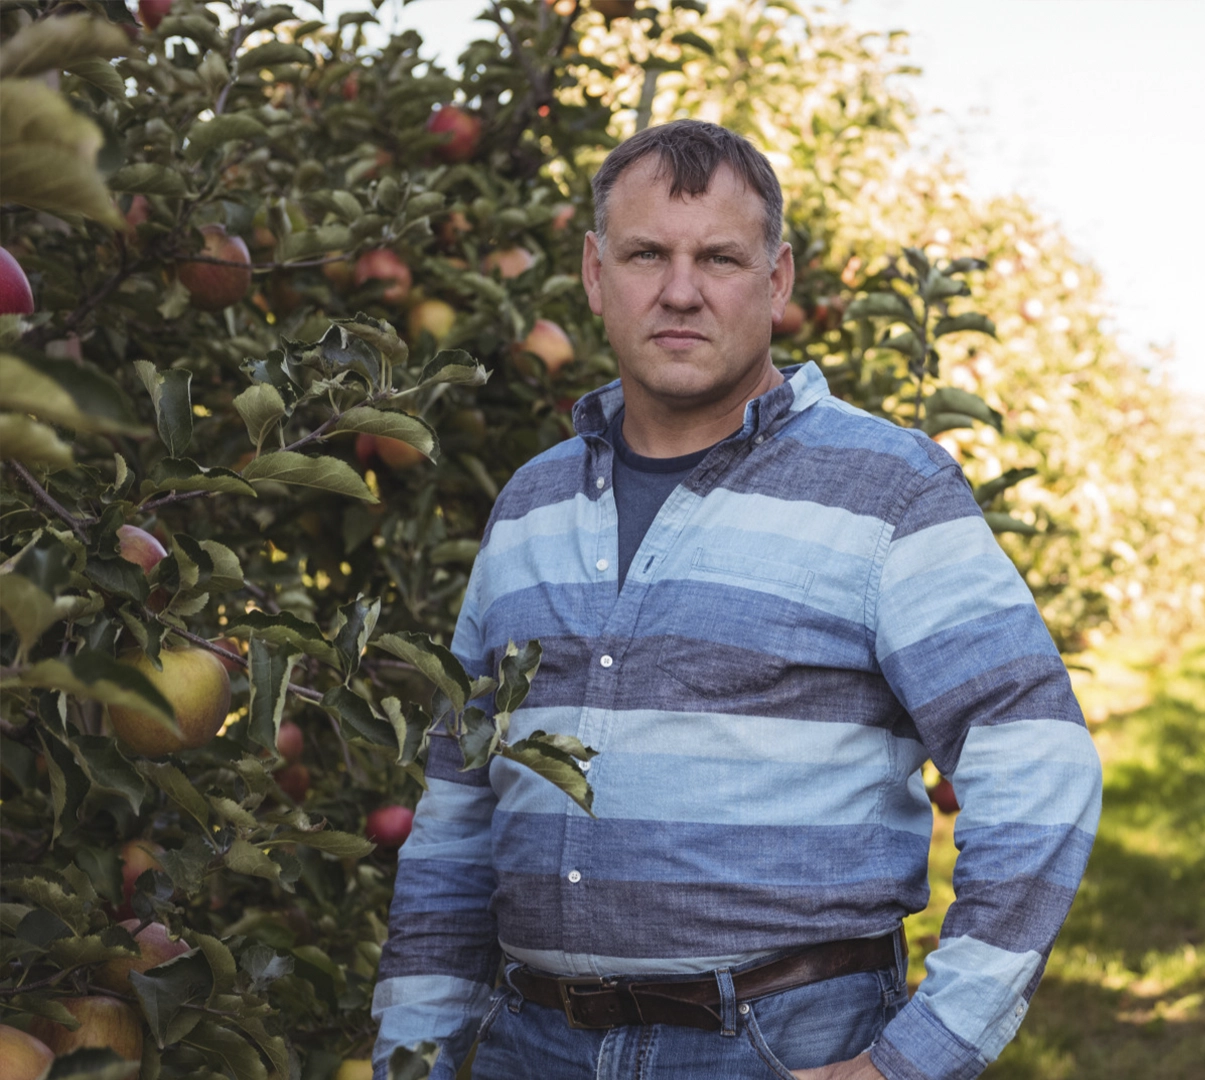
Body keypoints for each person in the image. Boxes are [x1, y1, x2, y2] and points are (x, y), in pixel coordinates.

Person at [371, 119, 1103, 1080]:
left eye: (719, 256)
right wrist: (412, 1057)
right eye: (646, 255)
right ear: (596, 274)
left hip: (777, 1045)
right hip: (530, 1044)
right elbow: (459, 809)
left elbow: (1036, 760)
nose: (680, 290)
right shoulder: (531, 507)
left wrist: (922, 1056)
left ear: (778, 280)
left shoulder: (889, 491)